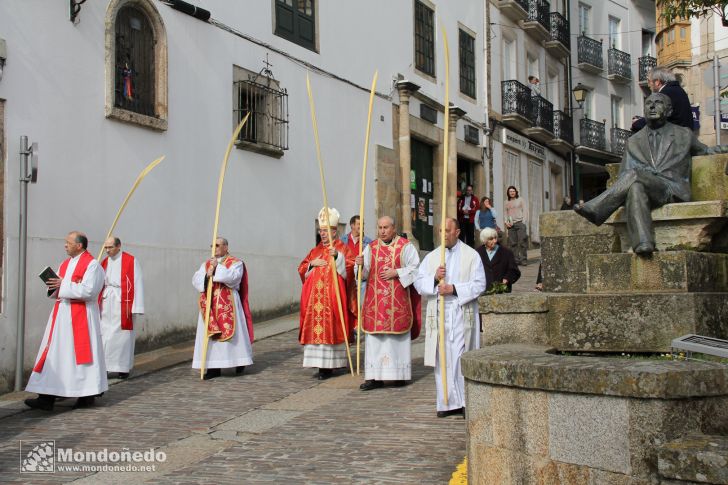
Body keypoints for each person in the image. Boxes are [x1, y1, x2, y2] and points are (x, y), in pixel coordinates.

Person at [575, 93, 723, 256]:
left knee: (635, 176)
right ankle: (643, 243)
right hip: (647, 187)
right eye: (648, 103)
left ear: (669, 111)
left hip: (672, 188)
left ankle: (597, 208)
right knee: (636, 187)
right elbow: (624, 174)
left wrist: (724, 148)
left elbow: (706, 151)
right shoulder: (634, 140)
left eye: (658, 103)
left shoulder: (684, 134)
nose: (652, 106)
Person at [24, 231, 108, 410]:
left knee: (80, 358)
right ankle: (46, 397)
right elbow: (58, 289)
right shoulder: (64, 264)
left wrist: (63, 285)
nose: (65, 245)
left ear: (79, 245)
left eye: (68, 242)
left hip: (81, 317)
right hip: (61, 317)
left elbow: (89, 292)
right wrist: (53, 286)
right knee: (54, 355)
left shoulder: (93, 266)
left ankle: (86, 396)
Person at [414, 218, 486, 418]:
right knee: (442, 357)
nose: (443, 234)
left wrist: (454, 288)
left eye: (447, 230)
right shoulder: (432, 257)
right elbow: (419, 283)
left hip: (460, 311)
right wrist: (435, 279)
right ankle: (446, 401)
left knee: (461, 355)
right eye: (440, 230)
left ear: (457, 232)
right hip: (439, 312)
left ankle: (465, 401)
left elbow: (480, 284)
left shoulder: (471, 256)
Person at [354, 216, 421, 391]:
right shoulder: (371, 248)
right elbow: (364, 274)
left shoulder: (405, 246)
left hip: (396, 303)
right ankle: (373, 377)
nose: (382, 231)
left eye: (386, 227)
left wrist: (397, 272)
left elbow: (416, 268)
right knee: (375, 341)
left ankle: (398, 375)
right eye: (380, 227)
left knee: (395, 341)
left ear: (394, 228)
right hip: (375, 305)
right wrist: (359, 265)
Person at [298, 207, 355, 380]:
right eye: (321, 231)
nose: (322, 234)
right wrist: (311, 265)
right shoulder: (314, 251)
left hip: (332, 299)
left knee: (331, 328)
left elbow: (350, 270)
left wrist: (338, 257)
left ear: (334, 230)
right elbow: (301, 269)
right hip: (314, 300)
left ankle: (330, 366)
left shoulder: (342, 249)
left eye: (326, 230)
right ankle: (320, 364)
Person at [192, 237, 254, 379]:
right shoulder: (206, 264)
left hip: (229, 303)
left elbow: (233, 278)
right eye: (212, 245)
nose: (215, 248)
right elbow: (196, 279)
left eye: (218, 245)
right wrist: (207, 275)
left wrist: (218, 268)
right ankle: (214, 368)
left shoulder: (236, 262)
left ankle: (239, 360)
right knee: (212, 337)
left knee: (234, 335)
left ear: (226, 247)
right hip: (211, 305)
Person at [100, 236, 144, 379]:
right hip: (107, 300)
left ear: (119, 246)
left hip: (123, 301)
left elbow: (137, 282)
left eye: (110, 247)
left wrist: (137, 306)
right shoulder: (104, 262)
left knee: (122, 335)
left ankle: (122, 366)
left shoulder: (131, 261)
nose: (107, 250)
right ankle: (105, 366)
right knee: (105, 334)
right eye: (105, 247)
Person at [340, 214, 373, 333]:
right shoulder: (343, 240)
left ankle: (358, 327)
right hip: (347, 277)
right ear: (352, 225)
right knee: (347, 303)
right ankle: (347, 327)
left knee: (360, 304)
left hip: (361, 279)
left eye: (362, 224)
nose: (361, 226)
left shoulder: (368, 242)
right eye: (359, 224)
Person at [476, 228, 520, 293]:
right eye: (491, 239)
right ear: (484, 240)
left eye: (495, 238)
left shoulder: (506, 252)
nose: (495, 241)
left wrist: (507, 278)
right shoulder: (477, 253)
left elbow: (514, 271)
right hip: (483, 291)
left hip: (501, 292)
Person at [504, 186, 529, 265]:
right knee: (513, 244)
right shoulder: (506, 202)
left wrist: (523, 222)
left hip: (520, 223)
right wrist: (506, 222)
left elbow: (525, 210)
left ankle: (523, 259)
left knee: (522, 242)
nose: (512, 192)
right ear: (508, 193)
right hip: (511, 225)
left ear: (516, 192)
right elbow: (505, 213)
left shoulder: (520, 200)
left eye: (513, 191)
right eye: (510, 191)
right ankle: (515, 260)